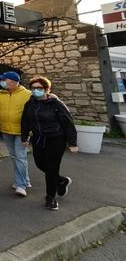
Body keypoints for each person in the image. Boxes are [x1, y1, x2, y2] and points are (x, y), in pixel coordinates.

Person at [21, 76, 78, 211]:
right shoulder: (30, 104)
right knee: (40, 163)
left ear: (47, 89)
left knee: (52, 167)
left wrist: (72, 143)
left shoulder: (56, 104)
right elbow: (25, 121)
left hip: (56, 139)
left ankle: (50, 197)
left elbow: (68, 123)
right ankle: (61, 181)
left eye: (39, 88)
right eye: (33, 88)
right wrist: (24, 137)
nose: (36, 91)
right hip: (39, 138)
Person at [0, 71, 32, 196]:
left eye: (4, 80)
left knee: (20, 157)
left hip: (22, 132)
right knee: (15, 157)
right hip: (6, 130)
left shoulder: (27, 94)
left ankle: (20, 185)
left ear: (12, 82)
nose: (2, 82)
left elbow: (33, 112)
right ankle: (25, 180)